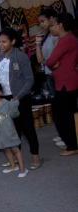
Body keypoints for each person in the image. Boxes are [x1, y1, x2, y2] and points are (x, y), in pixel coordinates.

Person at [0, 27, 42, 170]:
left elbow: (29, 80)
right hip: (5, 99)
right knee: (11, 130)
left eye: (4, 42)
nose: (1, 44)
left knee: (27, 128)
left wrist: (18, 96)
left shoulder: (21, 56)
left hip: (21, 98)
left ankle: (35, 157)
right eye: (0, 42)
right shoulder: (0, 58)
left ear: (13, 41)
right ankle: (16, 159)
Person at [45, 13, 78, 156]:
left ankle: (72, 145)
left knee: (62, 115)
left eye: (54, 24)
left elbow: (50, 61)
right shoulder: (69, 39)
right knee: (66, 114)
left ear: (61, 25)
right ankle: (71, 143)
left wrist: (55, 65)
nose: (52, 27)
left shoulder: (66, 40)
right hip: (67, 80)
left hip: (66, 82)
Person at [0, 81, 28, 177]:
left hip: (9, 132)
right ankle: (13, 166)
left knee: (15, 149)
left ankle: (22, 169)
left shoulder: (7, 103)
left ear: (0, 93)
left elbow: (15, 114)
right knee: (6, 149)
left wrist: (14, 105)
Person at [35, 9, 65, 148]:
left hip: (56, 74)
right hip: (49, 74)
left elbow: (55, 59)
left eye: (43, 21)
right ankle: (63, 134)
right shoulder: (46, 36)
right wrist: (37, 44)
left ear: (52, 19)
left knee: (60, 106)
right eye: (40, 22)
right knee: (56, 106)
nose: (41, 24)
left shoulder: (55, 37)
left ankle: (66, 136)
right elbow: (40, 59)